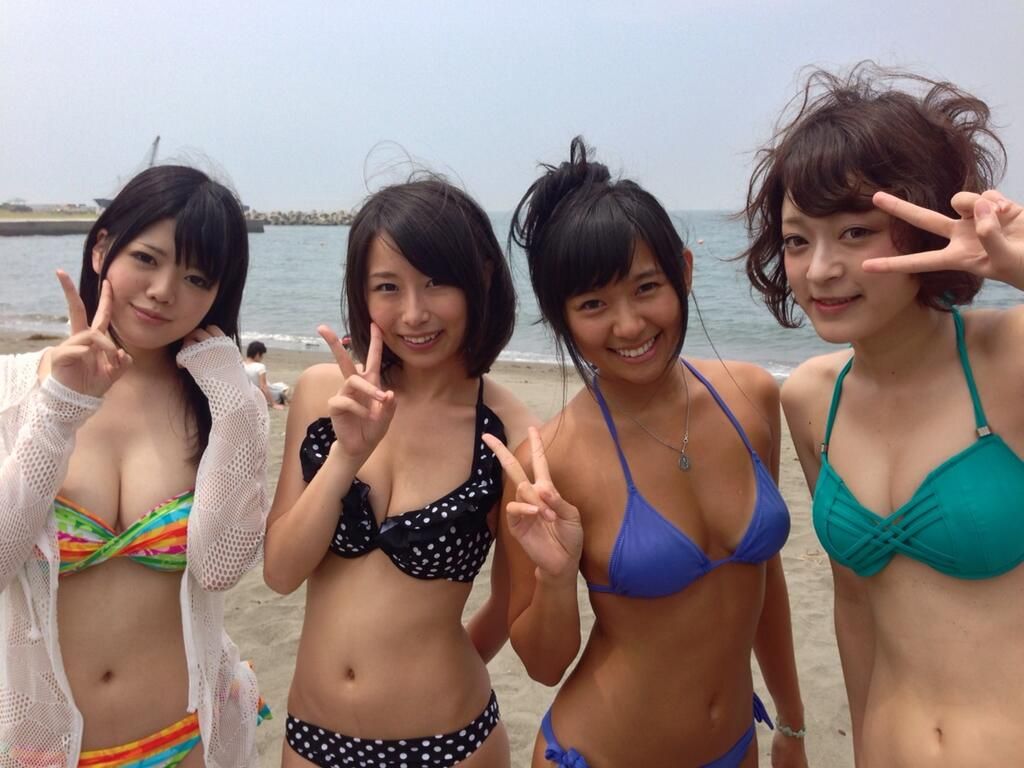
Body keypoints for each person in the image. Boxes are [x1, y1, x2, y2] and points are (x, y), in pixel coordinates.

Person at [483, 138, 807, 767]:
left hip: (736, 748)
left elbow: (764, 578)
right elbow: (544, 665)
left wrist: (791, 724)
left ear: (683, 271)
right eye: (593, 305)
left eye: (646, 287)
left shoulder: (751, 398)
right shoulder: (550, 461)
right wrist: (556, 578)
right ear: (560, 317)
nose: (629, 325)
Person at [742, 63, 1024, 765]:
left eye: (856, 232)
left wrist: (1020, 267)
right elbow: (856, 604)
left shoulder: (1008, 358)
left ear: (925, 226)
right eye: (798, 239)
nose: (819, 270)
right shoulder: (812, 397)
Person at [0, 165, 271, 767]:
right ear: (102, 249)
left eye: (196, 277)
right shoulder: (14, 392)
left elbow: (221, 567)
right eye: (147, 259)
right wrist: (60, 409)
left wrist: (233, 405)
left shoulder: (222, 406)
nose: (164, 290)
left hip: (189, 737)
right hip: (43, 747)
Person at [264, 177, 536, 768]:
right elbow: (281, 572)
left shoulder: (509, 430)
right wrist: (345, 457)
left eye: (437, 282)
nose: (414, 313)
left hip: (451, 743)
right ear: (362, 294)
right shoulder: (323, 394)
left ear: (483, 277)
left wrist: (438, 667)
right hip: (313, 739)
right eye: (388, 287)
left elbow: (513, 600)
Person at [245, 340, 289, 409]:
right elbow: (263, 387)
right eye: (262, 355)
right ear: (257, 354)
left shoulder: (241, 365)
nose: (262, 358)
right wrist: (273, 404)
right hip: (262, 396)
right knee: (285, 388)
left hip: (249, 394)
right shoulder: (260, 367)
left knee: (278, 385)